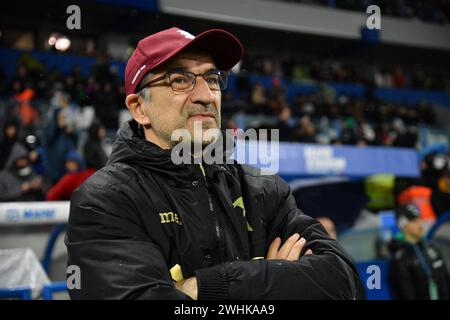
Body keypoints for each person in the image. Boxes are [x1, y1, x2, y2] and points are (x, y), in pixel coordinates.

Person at [66, 27, 361, 300]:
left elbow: (344, 283)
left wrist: (207, 286)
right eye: (180, 80)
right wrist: (274, 280)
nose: (206, 96)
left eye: (211, 79)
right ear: (139, 108)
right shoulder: (105, 200)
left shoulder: (263, 188)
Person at [388, 203, 450, 300]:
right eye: (414, 221)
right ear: (404, 225)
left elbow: (446, 279)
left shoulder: (432, 248)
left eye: (420, 219)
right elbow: (406, 293)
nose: (420, 224)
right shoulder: (400, 258)